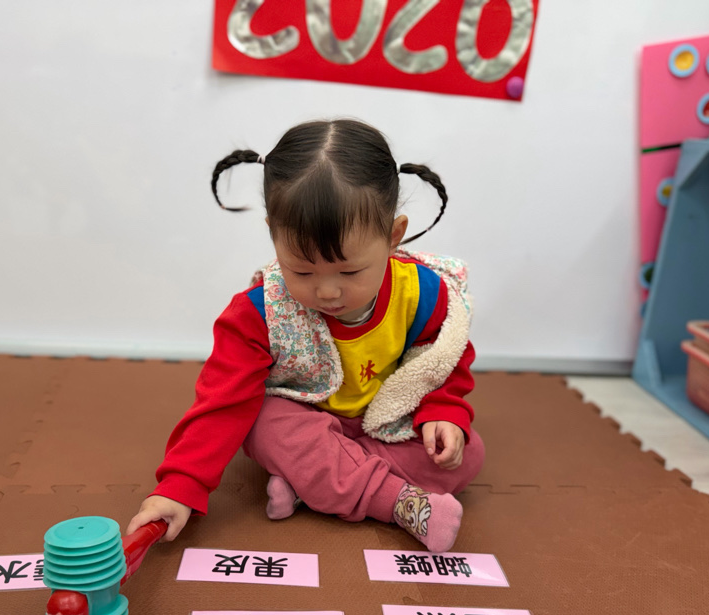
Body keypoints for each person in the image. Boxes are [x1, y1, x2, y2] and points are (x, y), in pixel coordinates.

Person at [125, 118, 484, 552]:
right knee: (262, 423)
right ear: (274, 235)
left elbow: (442, 360)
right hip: (306, 419)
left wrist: (444, 411)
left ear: (393, 236)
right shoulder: (259, 312)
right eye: (302, 271)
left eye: (349, 272)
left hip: (384, 422)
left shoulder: (424, 293)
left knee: (466, 454)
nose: (328, 292)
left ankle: (312, 481)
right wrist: (180, 484)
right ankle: (397, 501)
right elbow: (221, 404)